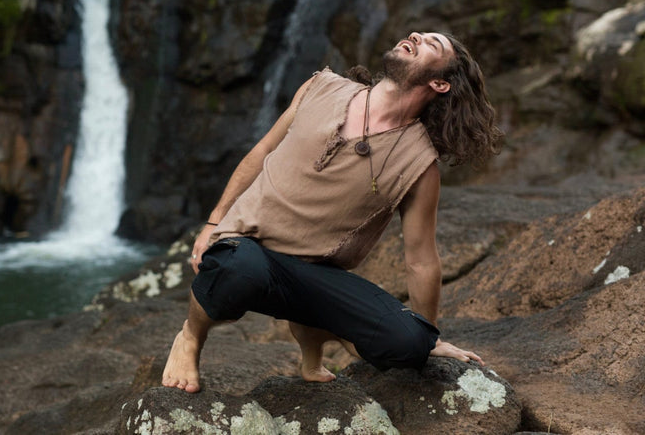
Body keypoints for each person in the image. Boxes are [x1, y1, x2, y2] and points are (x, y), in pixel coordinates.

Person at [162, 31, 504, 393]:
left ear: (439, 83)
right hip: (246, 246)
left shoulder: (420, 164)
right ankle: (190, 337)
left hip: (316, 273)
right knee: (238, 270)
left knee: (409, 345)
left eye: (432, 45)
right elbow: (262, 151)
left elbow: (420, 259)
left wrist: (428, 334)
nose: (416, 35)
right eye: (417, 33)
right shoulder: (321, 87)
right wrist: (214, 221)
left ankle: (315, 332)